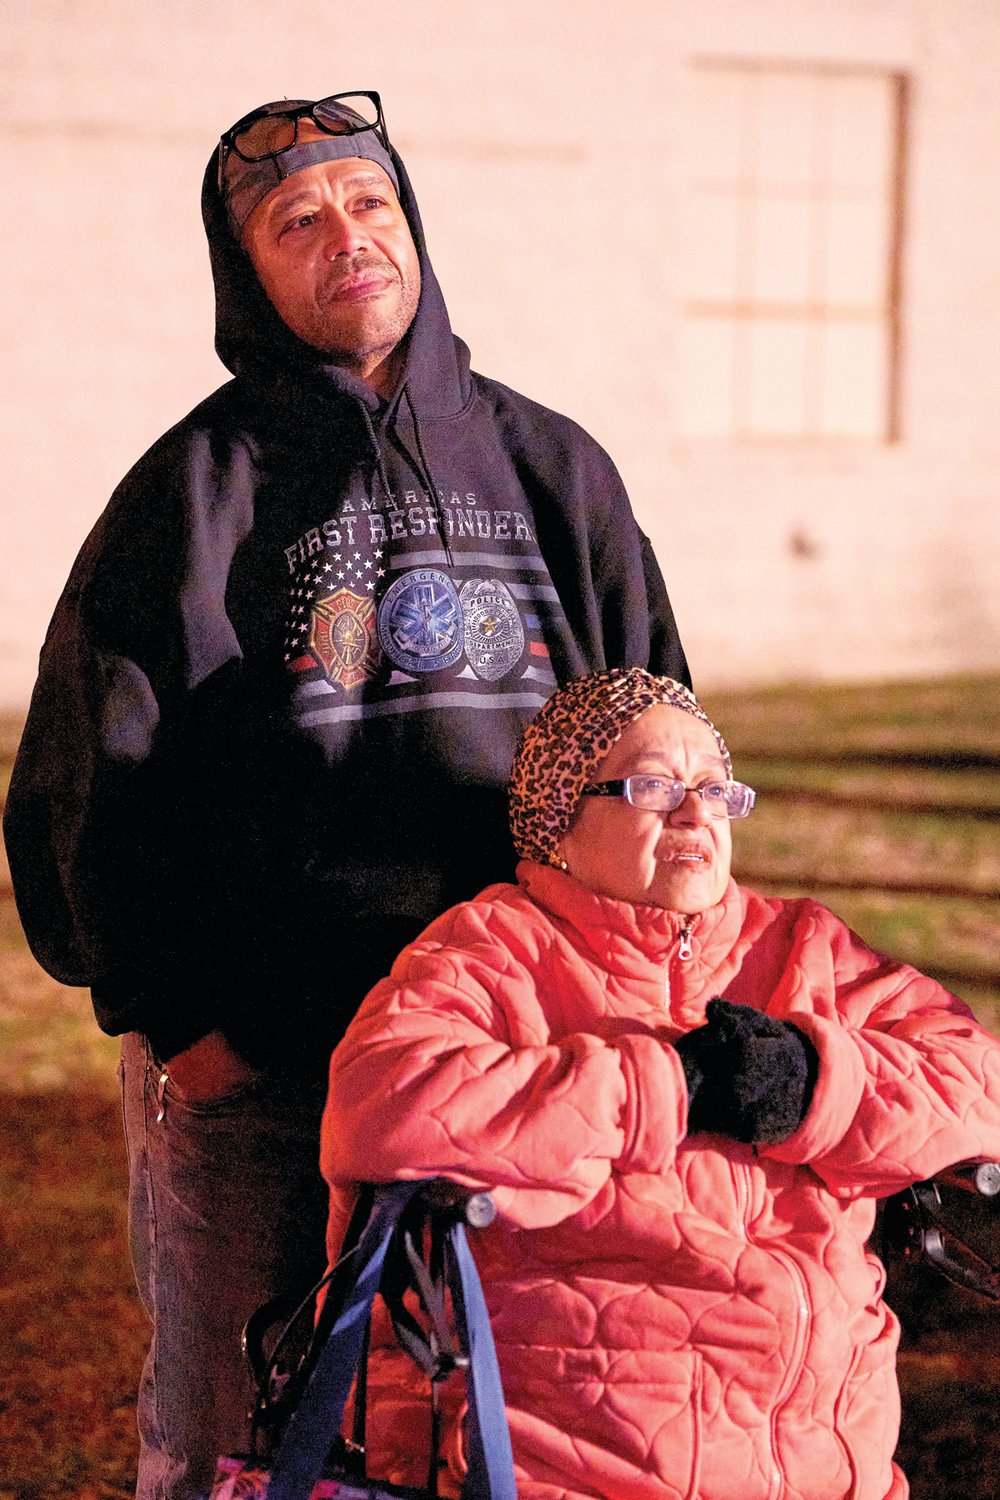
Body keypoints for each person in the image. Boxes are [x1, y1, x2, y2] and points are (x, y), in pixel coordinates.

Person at [2, 96, 688, 1500]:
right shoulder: (194, 492)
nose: (346, 237)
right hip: (266, 1075)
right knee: (234, 1443)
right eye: (294, 221)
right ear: (245, 272)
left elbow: (664, 731)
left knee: (512, 1430)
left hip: (518, 1060)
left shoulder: (555, 468)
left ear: (414, 227)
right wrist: (187, 1029)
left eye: (369, 203)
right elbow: (88, 785)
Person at [322, 666, 1000, 1500]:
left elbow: (979, 1080)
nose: (693, 811)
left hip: (823, 1460)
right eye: (653, 786)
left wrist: (816, 1081)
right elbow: (384, 1104)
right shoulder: (494, 950)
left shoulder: (800, 947)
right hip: (560, 1457)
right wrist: (661, 1088)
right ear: (559, 823)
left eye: (717, 790)